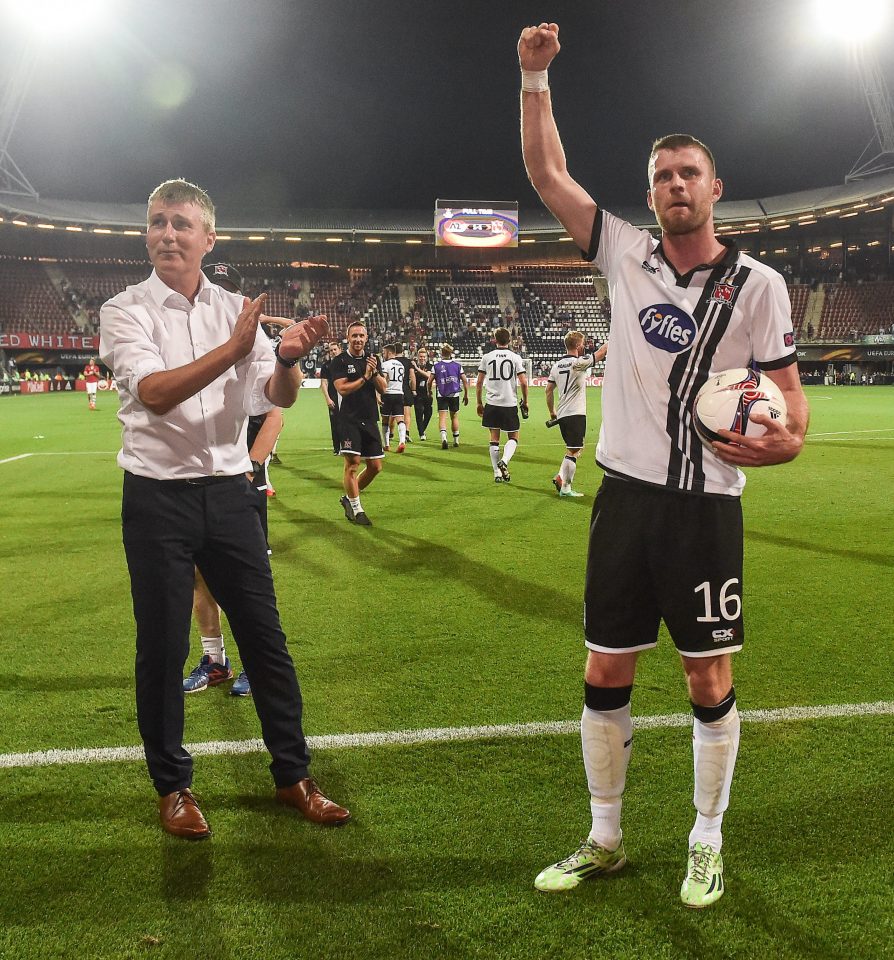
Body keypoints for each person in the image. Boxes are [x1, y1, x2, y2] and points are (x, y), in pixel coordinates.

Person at [519, 23, 808, 905]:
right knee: (606, 669)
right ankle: (604, 837)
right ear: (649, 195)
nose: (674, 186)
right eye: (660, 177)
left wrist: (787, 438)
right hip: (625, 499)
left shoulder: (758, 286)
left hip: (706, 505)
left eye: (689, 173)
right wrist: (534, 79)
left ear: (715, 188)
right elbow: (547, 175)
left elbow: (791, 403)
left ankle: (705, 839)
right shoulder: (622, 251)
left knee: (705, 676)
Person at [100, 178, 349, 839]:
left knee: (266, 641)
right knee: (159, 646)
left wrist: (290, 360)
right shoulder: (124, 310)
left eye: (182, 223)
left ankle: (294, 775)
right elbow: (154, 392)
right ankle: (173, 788)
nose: (167, 234)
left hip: (231, 493)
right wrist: (236, 350)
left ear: (209, 238)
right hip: (155, 497)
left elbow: (278, 398)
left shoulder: (236, 308)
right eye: (157, 222)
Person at [182, 261, 287, 700]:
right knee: (200, 576)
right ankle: (215, 660)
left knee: (249, 581)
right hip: (194, 484)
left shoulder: (254, 348)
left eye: (227, 290)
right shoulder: (191, 345)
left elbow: (274, 415)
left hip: (242, 483)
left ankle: (250, 665)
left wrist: (250, 465)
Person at [329, 321, 387, 526]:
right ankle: (357, 509)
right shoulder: (340, 361)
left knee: (375, 466)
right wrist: (364, 377)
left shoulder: (373, 360)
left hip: (370, 418)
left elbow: (383, 388)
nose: (358, 339)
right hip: (348, 420)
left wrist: (375, 372)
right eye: (354, 336)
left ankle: (348, 498)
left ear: (366, 338)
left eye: (361, 336)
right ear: (348, 338)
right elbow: (342, 389)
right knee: (352, 465)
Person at [545, 331, 608, 497]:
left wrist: (552, 412)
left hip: (563, 414)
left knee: (574, 449)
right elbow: (601, 353)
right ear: (579, 346)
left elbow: (548, 390)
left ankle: (560, 476)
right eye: (583, 344)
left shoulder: (556, 366)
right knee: (574, 451)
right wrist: (616, 336)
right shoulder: (579, 362)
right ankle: (566, 488)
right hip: (576, 413)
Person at [476, 326, 529, 483]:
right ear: (510, 340)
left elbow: (479, 382)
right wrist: (525, 401)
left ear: (494, 340)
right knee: (513, 437)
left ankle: (496, 473)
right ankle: (504, 461)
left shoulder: (487, 357)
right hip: (509, 403)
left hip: (492, 403)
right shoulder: (515, 357)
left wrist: (479, 402)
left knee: (494, 439)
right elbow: (524, 383)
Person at [432, 344, 469, 448]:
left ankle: (444, 438)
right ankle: (456, 440)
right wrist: (466, 395)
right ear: (451, 353)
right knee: (454, 417)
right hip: (454, 394)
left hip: (441, 394)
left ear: (441, 353)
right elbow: (465, 381)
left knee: (442, 417)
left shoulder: (436, 366)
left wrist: (428, 391)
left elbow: (429, 381)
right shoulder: (457, 366)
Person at [380, 343, 410, 453]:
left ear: (389, 352)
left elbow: (384, 380)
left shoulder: (385, 364)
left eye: (384, 353)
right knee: (400, 419)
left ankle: (386, 444)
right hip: (399, 394)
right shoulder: (401, 365)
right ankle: (402, 441)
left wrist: (378, 395)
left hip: (387, 394)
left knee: (385, 420)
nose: (383, 355)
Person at [319, 340, 343, 455]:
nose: (333, 352)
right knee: (335, 423)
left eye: (335, 349)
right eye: (331, 350)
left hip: (346, 397)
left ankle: (347, 446)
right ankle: (337, 448)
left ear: (340, 350)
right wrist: (327, 398)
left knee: (347, 423)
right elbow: (324, 383)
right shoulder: (326, 366)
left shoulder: (346, 363)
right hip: (333, 397)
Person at [411, 347, 434, 440]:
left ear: (427, 357)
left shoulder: (429, 366)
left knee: (429, 413)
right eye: (420, 356)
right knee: (419, 413)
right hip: (417, 394)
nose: (422, 358)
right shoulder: (413, 366)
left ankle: (422, 429)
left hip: (428, 393)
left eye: (424, 357)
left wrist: (417, 368)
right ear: (417, 357)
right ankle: (421, 434)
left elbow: (428, 375)